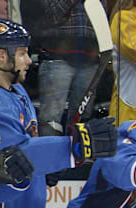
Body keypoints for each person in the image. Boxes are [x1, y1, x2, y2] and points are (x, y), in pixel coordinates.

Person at [0, 17, 118, 208]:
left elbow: (30, 152)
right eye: (22, 53)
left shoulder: (18, 92)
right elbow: (12, 158)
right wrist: (71, 148)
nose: (28, 60)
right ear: (1, 56)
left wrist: (47, 166)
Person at [37, 0, 106, 136]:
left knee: (82, 119)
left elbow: (102, 22)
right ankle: (49, 154)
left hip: (90, 58)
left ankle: (76, 156)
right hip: (57, 55)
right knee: (51, 119)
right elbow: (53, 15)